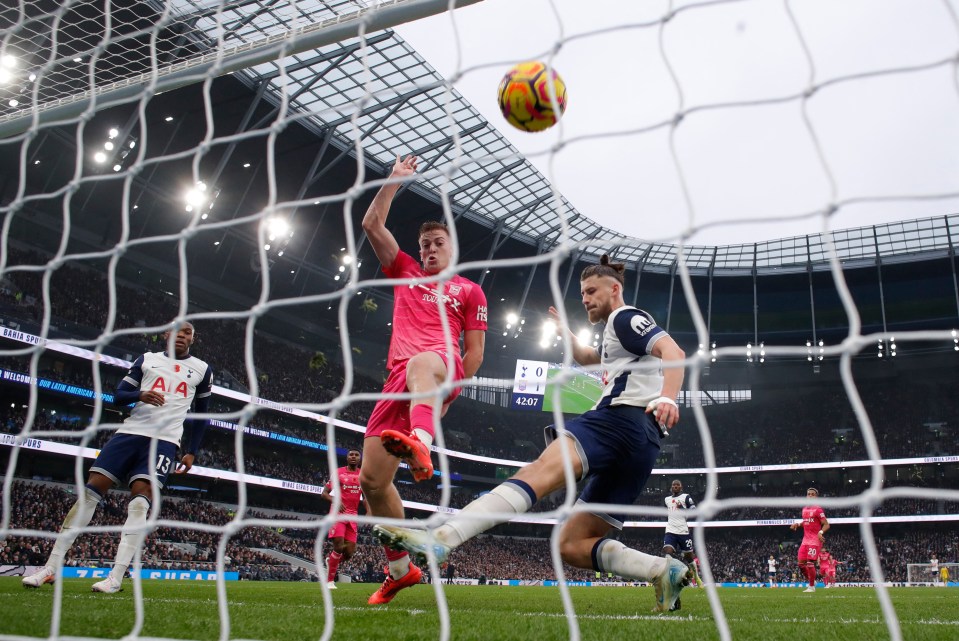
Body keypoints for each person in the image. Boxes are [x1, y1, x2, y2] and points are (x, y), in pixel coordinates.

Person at [373, 254, 691, 613]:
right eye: (582, 293)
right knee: (572, 544)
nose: (584, 298)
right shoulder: (615, 335)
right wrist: (566, 334)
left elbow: (673, 351)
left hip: (618, 421)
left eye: (591, 291)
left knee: (538, 473)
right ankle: (662, 570)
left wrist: (668, 396)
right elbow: (590, 358)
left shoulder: (625, 316)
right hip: (643, 446)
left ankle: (444, 536)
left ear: (614, 289)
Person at [359, 154, 488, 605]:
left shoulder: (469, 291)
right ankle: (400, 570)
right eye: (425, 244)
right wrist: (394, 181)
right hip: (400, 379)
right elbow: (372, 224)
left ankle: (422, 443)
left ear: (452, 248)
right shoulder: (406, 272)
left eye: (437, 242)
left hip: (439, 366)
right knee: (371, 482)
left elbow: (474, 355)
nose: (430, 249)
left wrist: (448, 394)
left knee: (423, 363)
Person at [22, 321, 212, 593]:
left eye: (188, 333)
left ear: (193, 339)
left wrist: (192, 450)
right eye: (177, 331)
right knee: (89, 494)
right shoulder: (147, 360)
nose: (181, 336)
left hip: (164, 441)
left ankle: (116, 577)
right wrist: (141, 394)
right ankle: (50, 568)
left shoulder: (203, 370)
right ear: (166, 334)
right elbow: (118, 396)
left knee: (139, 504)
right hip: (129, 433)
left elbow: (203, 415)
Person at [320, 448, 363, 589]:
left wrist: (369, 512)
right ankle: (329, 581)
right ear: (347, 457)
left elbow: (366, 496)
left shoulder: (363, 475)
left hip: (353, 516)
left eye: (356, 455)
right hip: (337, 514)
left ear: (360, 458)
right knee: (338, 546)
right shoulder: (338, 472)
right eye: (351, 454)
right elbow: (324, 493)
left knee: (349, 553)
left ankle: (330, 560)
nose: (353, 457)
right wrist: (335, 501)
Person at [662, 479, 702, 610]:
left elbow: (693, 510)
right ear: (671, 487)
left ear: (681, 486)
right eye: (673, 485)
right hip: (670, 531)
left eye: (677, 485)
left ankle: (696, 576)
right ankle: (673, 588)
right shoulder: (667, 499)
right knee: (667, 556)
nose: (675, 486)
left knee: (689, 557)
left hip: (683, 531)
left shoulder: (686, 497)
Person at [790, 487, 829, 593]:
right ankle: (812, 581)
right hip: (805, 540)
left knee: (810, 563)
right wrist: (798, 524)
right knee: (800, 564)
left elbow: (826, 524)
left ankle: (811, 587)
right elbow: (806, 522)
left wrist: (821, 532)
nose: (810, 495)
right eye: (809, 494)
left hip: (815, 540)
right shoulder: (804, 509)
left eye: (813, 494)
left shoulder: (818, 509)